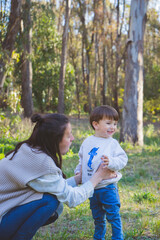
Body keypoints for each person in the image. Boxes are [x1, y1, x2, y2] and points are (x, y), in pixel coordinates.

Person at [0, 113, 116, 240]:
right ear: (55, 139)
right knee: (49, 201)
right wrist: (98, 177)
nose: (72, 138)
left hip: (5, 212)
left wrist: (78, 179)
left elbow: (51, 185)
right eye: (68, 135)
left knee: (49, 196)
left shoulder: (29, 150)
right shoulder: (42, 163)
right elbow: (72, 198)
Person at [74, 105, 128, 240]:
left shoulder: (113, 143)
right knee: (97, 217)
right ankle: (98, 237)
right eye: (108, 123)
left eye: (115, 124)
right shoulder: (87, 142)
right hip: (92, 188)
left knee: (113, 215)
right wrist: (78, 171)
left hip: (107, 187)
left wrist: (111, 162)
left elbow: (123, 160)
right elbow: (82, 159)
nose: (113, 127)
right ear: (96, 124)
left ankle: (117, 237)